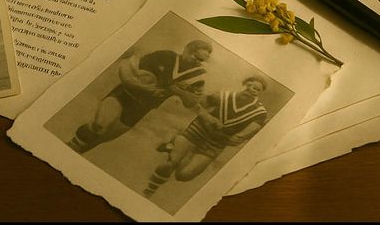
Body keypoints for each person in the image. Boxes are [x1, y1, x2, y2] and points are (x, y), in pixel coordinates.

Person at [67, 39, 213, 154]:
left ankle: (73, 154)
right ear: (187, 49)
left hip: (141, 109)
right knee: (99, 124)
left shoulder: (197, 77)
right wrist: (142, 86)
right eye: (196, 57)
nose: (197, 62)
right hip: (125, 95)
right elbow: (127, 69)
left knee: (102, 138)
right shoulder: (165, 56)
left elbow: (190, 103)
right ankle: (67, 149)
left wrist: (179, 91)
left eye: (201, 61)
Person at [143, 76, 268, 197]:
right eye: (249, 85)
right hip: (198, 130)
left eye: (257, 89)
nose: (251, 89)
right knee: (170, 163)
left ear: (261, 93)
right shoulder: (223, 96)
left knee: (183, 175)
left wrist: (227, 136)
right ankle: (148, 192)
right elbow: (198, 106)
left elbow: (238, 138)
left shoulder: (260, 113)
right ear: (244, 85)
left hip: (215, 144)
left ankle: (178, 146)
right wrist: (208, 118)